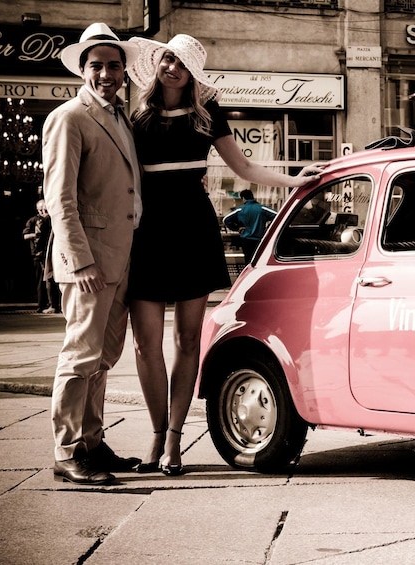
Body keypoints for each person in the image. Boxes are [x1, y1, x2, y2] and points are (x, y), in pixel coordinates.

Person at [125, 34, 326, 476]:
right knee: (144, 344)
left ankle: (175, 439)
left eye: (181, 62)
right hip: (147, 231)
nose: (172, 67)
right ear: (157, 64)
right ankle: (155, 434)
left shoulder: (206, 113)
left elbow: (245, 168)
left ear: (193, 72)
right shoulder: (135, 112)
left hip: (192, 228)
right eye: (167, 59)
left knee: (188, 339)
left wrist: (295, 180)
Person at [42, 23, 143, 485]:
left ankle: (92, 442)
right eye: (96, 66)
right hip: (90, 261)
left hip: (121, 257)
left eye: (114, 65)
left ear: (124, 70)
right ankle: (67, 451)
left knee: (103, 358)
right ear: (83, 71)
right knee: (80, 357)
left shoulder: (122, 116)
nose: (106, 73)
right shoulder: (69, 117)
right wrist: (79, 260)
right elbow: (60, 197)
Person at [22, 199, 60, 313]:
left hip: (49, 251)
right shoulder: (35, 221)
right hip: (39, 253)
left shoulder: (49, 220)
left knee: (50, 279)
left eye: (45, 209)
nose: (44, 212)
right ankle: (43, 304)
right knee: (43, 280)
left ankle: (53, 304)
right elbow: (26, 235)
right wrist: (36, 235)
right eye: (41, 210)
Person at [222, 189, 277, 262]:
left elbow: (225, 219)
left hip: (246, 240)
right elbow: (278, 216)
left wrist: (236, 228)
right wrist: (268, 228)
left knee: (248, 261)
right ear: (252, 197)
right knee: (259, 261)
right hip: (259, 240)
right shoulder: (262, 208)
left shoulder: (240, 210)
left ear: (243, 198)